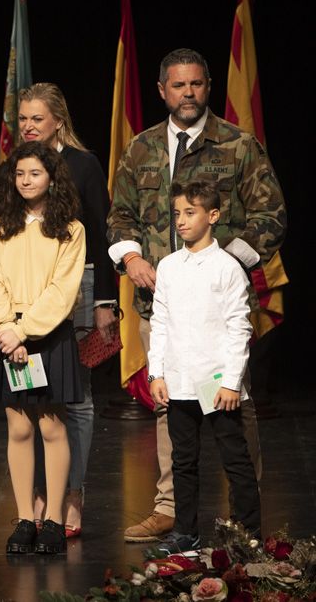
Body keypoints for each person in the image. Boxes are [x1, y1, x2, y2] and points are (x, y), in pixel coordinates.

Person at [108, 48, 286, 542]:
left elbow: (271, 215)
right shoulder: (141, 148)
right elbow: (119, 215)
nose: (187, 94)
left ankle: (242, 514)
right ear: (162, 90)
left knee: (230, 407)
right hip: (160, 305)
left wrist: (231, 260)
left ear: (207, 87)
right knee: (171, 407)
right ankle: (171, 510)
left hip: (217, 313)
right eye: (178, 86)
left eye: (196, 85)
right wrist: (131, 258)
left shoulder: (236, 144)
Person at [17, 82, 117, 537]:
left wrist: (104, 302)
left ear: (58, 120)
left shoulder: (84, 165)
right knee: (34, 399)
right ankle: (39, 495)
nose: (29, 126)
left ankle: (73, 493)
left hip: (79, 292)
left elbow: (101, 233)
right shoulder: (17, 167)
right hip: (27, 296)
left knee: (76, 399)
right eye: (23, 119)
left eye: (37, 118)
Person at [0, 141, 85, 555]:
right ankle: (26, 517)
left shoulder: (70, 229)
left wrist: (24, 332)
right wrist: (6, 329)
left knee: (51, 427)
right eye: (20, 174)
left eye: (35, 174)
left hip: (47, 334)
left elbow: (63, 290)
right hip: (6, 336)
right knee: (20, 427)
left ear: (52, 178)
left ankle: (55, 520)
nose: (26, 181)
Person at [147, 180, 260, 555]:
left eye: (190, 213)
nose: (181, 220)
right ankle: (185, 532)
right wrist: (156, 372)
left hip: (217, 381)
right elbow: (160, 322)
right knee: (183, 461)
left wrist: (231, 382)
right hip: (178, 380)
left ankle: (247, 536)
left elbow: (238, 326)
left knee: (235, 459)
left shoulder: (227, 268)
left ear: (212, 216)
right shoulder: (168, 266)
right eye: (177, 213)